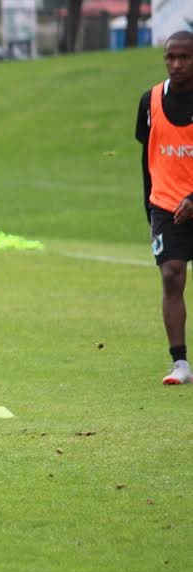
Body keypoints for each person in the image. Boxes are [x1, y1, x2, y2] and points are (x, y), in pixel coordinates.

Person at [135, 30, 193, 385]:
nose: (176, 64)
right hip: (166, 206)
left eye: (184, 57)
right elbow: (148, 157)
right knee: (171, 275)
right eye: (171, 57)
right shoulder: (150, 100)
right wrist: (149, 210)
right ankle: (181, 363)